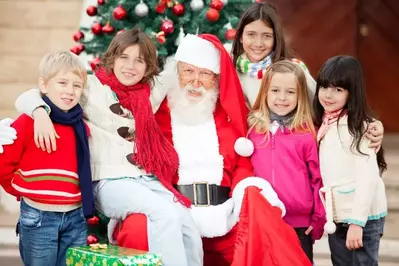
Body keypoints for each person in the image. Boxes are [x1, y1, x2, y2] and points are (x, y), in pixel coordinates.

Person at [5, 28, 203, 266]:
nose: (130, 66)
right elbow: (35, 93)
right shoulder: (91, 87)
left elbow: (178, 70)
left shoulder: (149, 93)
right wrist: (39, 112)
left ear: (148, 66)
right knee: (165, 214)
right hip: (109, 180)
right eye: (124, 57)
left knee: (188, 224)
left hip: (145, 179)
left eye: (139, 60)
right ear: (112, 58)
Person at [118, 33, 291, 266]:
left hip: (223, 215)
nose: (195, 82)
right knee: (137, 226)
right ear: (176, 73)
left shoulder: (227, 117)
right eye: (188, 71)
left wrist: (249, 191)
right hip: (174, 213)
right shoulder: (156, 115)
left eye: (205, 74)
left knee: (262, 227)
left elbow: (242, 165)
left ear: (216, 79)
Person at [230, 2, 384, 149]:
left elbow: (325, 102)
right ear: (241, 37)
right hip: (250, 149)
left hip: (291, 152)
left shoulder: (293, 70)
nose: (258, 43)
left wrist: (370, 123)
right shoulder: (231, 71)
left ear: (276, 39)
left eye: (267, 36)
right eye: (251, 34)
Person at [0, 51, 93, 266]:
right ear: (44, 85)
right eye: (62, 82)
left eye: (76, 85)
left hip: (75, 216)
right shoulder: (28, 121)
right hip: (39, 216)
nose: (70, 91)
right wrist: (22, 189)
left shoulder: (82, 127)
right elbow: (5, 164)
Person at [246, 60, 326, 262]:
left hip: (299, 225)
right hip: (263, 220)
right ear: (264, 92)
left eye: (290, 92)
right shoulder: (253, 132)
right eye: (275, 90)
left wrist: (318, 219)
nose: (282, 98)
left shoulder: (306, 135)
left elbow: (318, 179)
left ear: (300, 96)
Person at [314, 55, 387, 266]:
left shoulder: (359, 128)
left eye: (338, 90)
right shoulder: (325, 122)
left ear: (352, 93)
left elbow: (368, 177)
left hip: (362, 217)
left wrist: (357, 222)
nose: (328, 95)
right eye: (325, 87)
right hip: (337, 216)